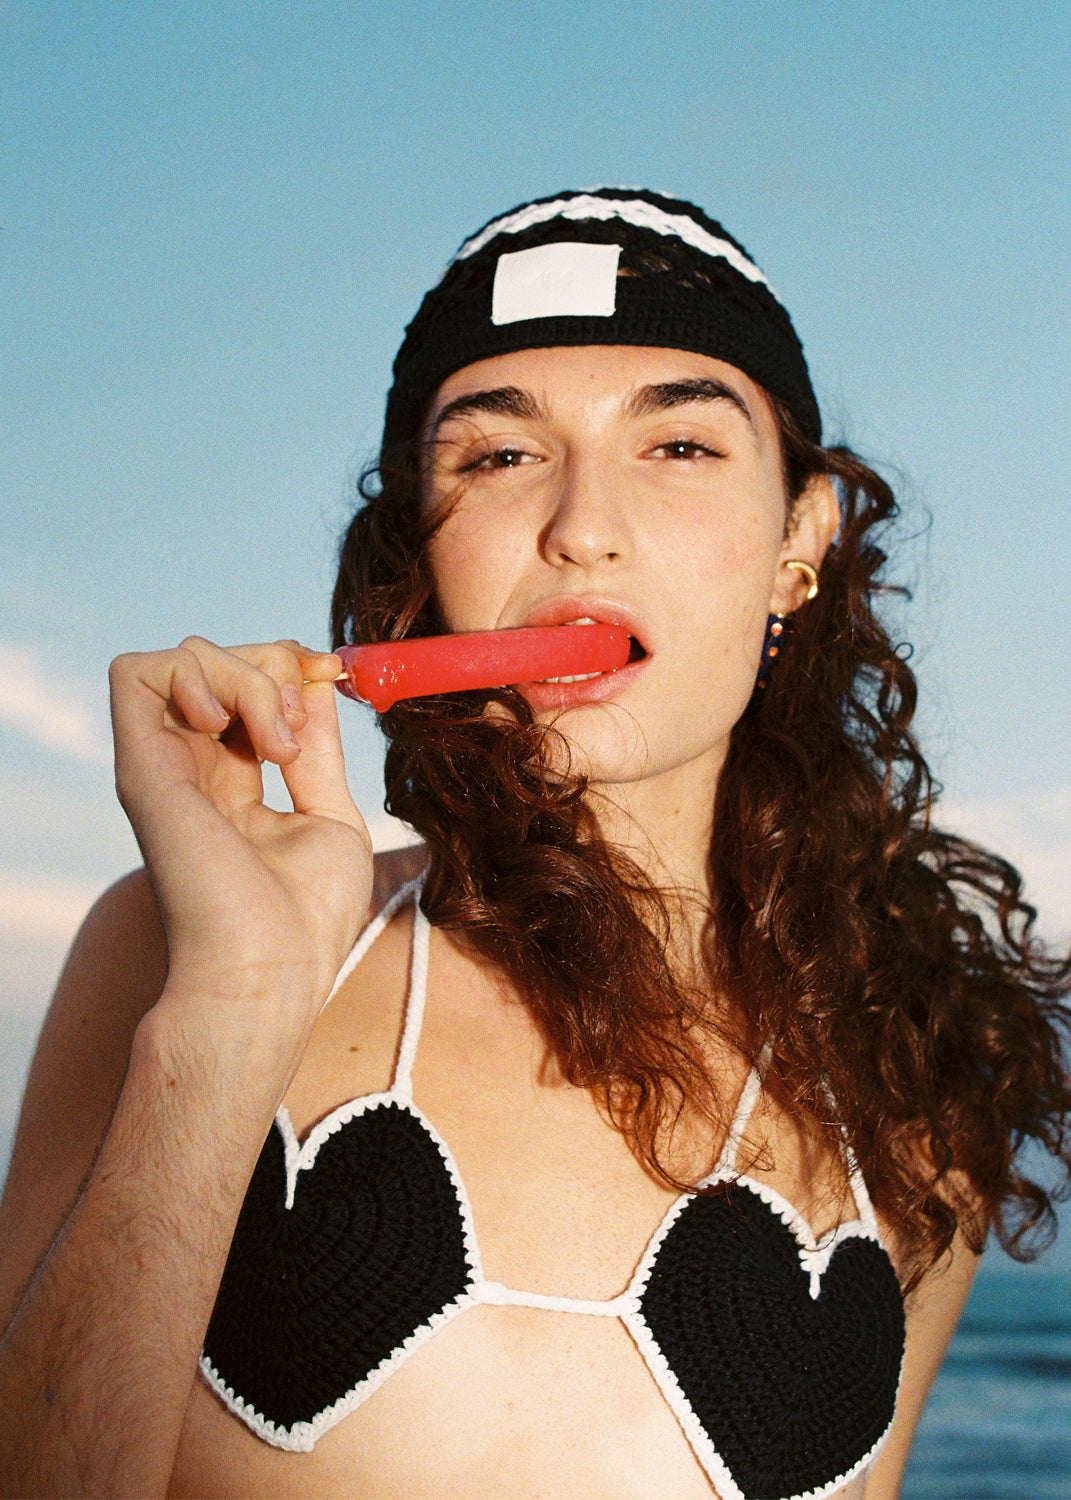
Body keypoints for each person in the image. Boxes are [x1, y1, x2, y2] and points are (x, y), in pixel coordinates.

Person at [1, 187, 1068, 1500]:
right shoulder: (182, 942)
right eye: (497, 457)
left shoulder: (916, 1092)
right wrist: (229, 1012)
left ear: (801, 543)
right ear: (422, 549)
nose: (581, 528)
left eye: (678, 446)